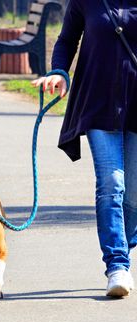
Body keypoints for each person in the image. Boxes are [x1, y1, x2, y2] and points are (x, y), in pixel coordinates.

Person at [32, 0, 137, 298]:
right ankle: (117, 265)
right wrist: (59, 73)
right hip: (98, 101)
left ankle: (122, 250)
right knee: (111, 183)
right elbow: (67, 40)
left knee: (133, 193)